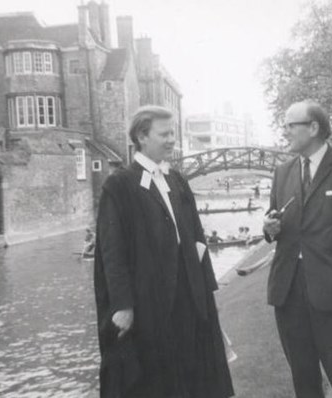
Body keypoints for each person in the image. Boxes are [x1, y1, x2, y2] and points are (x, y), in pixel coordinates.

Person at [94, 106, 234, 398]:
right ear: (142, 137)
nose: (172, 139)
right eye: (165, 134)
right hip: (149, 304)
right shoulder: (119, 185)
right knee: (155, 380)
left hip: (189, 299)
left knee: (194, 376)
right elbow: (112, 251)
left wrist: (209, 293)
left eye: (172, 133)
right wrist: (122, 305)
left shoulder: (177, 180)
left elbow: (197, 237)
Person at [263, 101, 332, 398]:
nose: (285, 131)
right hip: (289, 292)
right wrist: (269, 228)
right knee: (304, 381)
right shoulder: (282, 172)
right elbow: (276, 222)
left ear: (313, 128)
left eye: (290, 125)